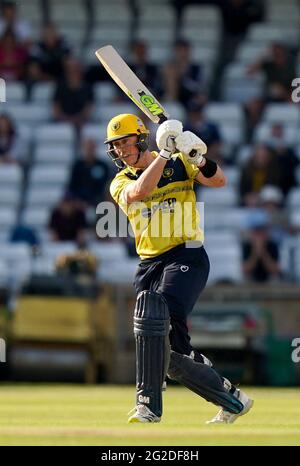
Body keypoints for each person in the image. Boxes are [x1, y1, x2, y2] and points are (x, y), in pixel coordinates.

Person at [106, 113, 253, 424]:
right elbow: (140, 192)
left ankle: (147, 405)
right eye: (114, 145)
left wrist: (197, 158)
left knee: (154, 318)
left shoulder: (178, 163)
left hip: (187, 255)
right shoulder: (121, 181)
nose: (119, 150)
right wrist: (165, 152)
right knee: (171, 357)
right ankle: (232, 399)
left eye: (124, 142)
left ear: (140, 137)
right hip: (149, 263)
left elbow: (219, 180)